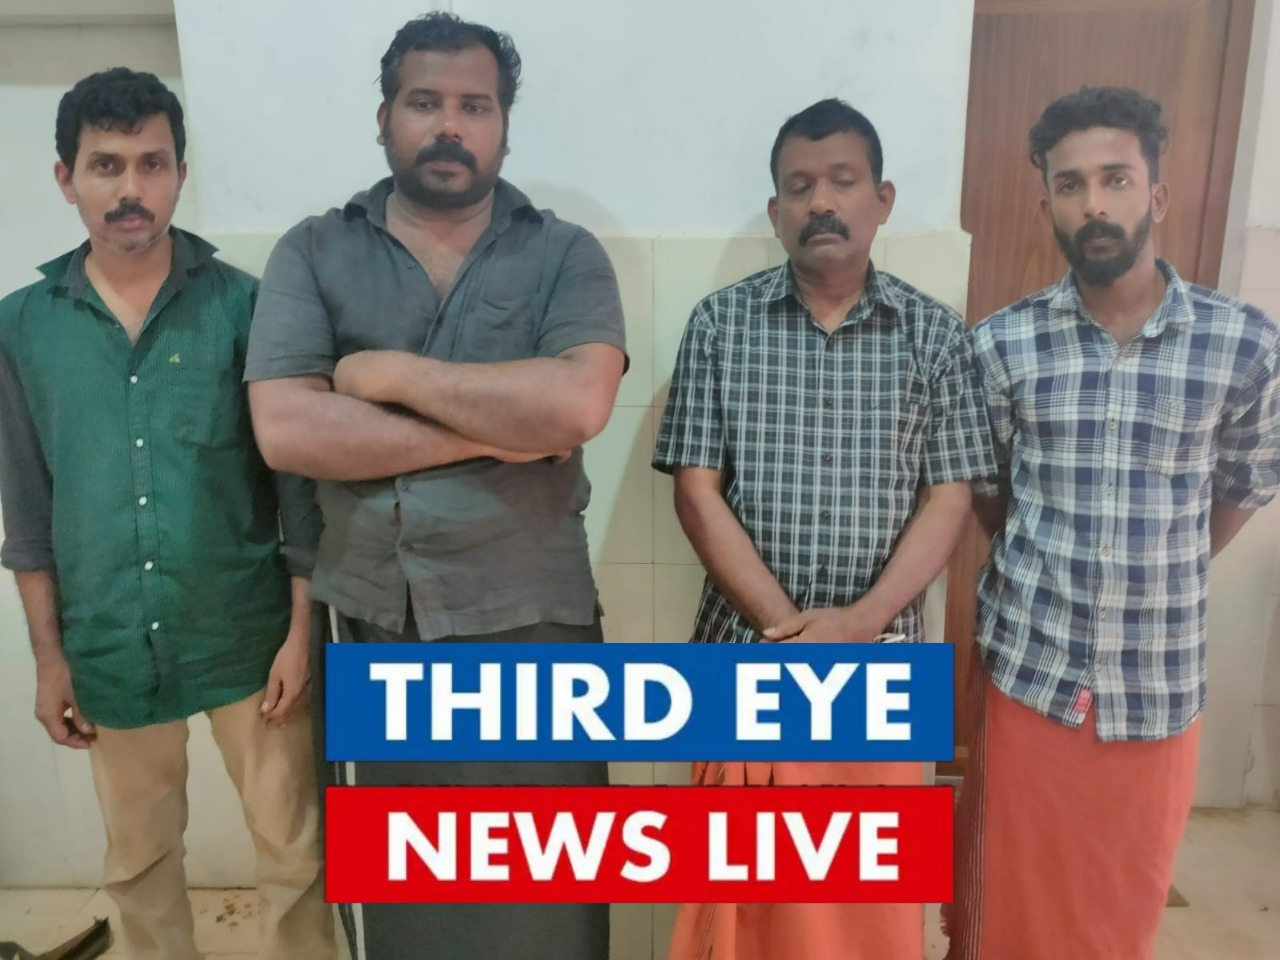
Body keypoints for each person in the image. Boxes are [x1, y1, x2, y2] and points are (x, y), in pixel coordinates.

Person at [243, 13, 628, 960]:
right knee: (410, 901)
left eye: (474, 106)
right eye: (425, 102)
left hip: (536, 617)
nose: (450, 125)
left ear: (504, 127)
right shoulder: (313, 251)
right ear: (384, 118)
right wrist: (501, 432)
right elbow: (288, 428)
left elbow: (577, 405)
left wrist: (389, 377)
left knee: (549, 892)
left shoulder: (565, 253)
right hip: (379, 621)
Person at [0, 68, 335, 960]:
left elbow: (298, 490)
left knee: (295, 851)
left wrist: (301, 634)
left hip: (247, 636)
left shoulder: (247, 308)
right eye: (105, 165)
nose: (130, 188)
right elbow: (27, 509)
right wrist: (50, 659)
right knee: (139, 862)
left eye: (151, 163)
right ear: (66, 177)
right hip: (109, 640)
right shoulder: (22, 327)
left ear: (181, 173)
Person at [652, 97, 996, 960]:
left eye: (843, 181)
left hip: (884, 669)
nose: (822, 203)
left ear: (882, 199)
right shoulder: (720, 325)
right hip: (743, 657)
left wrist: (861, 623)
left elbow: (950, 498)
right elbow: (696, 492)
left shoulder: (937, 337)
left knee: (866, 909)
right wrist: (788, 629)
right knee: (741, 911)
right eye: (800, 186)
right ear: (776, 211)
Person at [945, 86, 1280, 960]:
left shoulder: (1243, 345)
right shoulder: (1002, 345)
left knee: (1120, 906)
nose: (1094, 203)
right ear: (1048, 205)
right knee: (1006, 904)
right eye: (1070, 185)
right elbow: (990, 494)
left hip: (1156, 680)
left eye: (1116, 179)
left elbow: (1243, 485)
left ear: (1156, 195)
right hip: (1031, 669)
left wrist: (1160, 565)